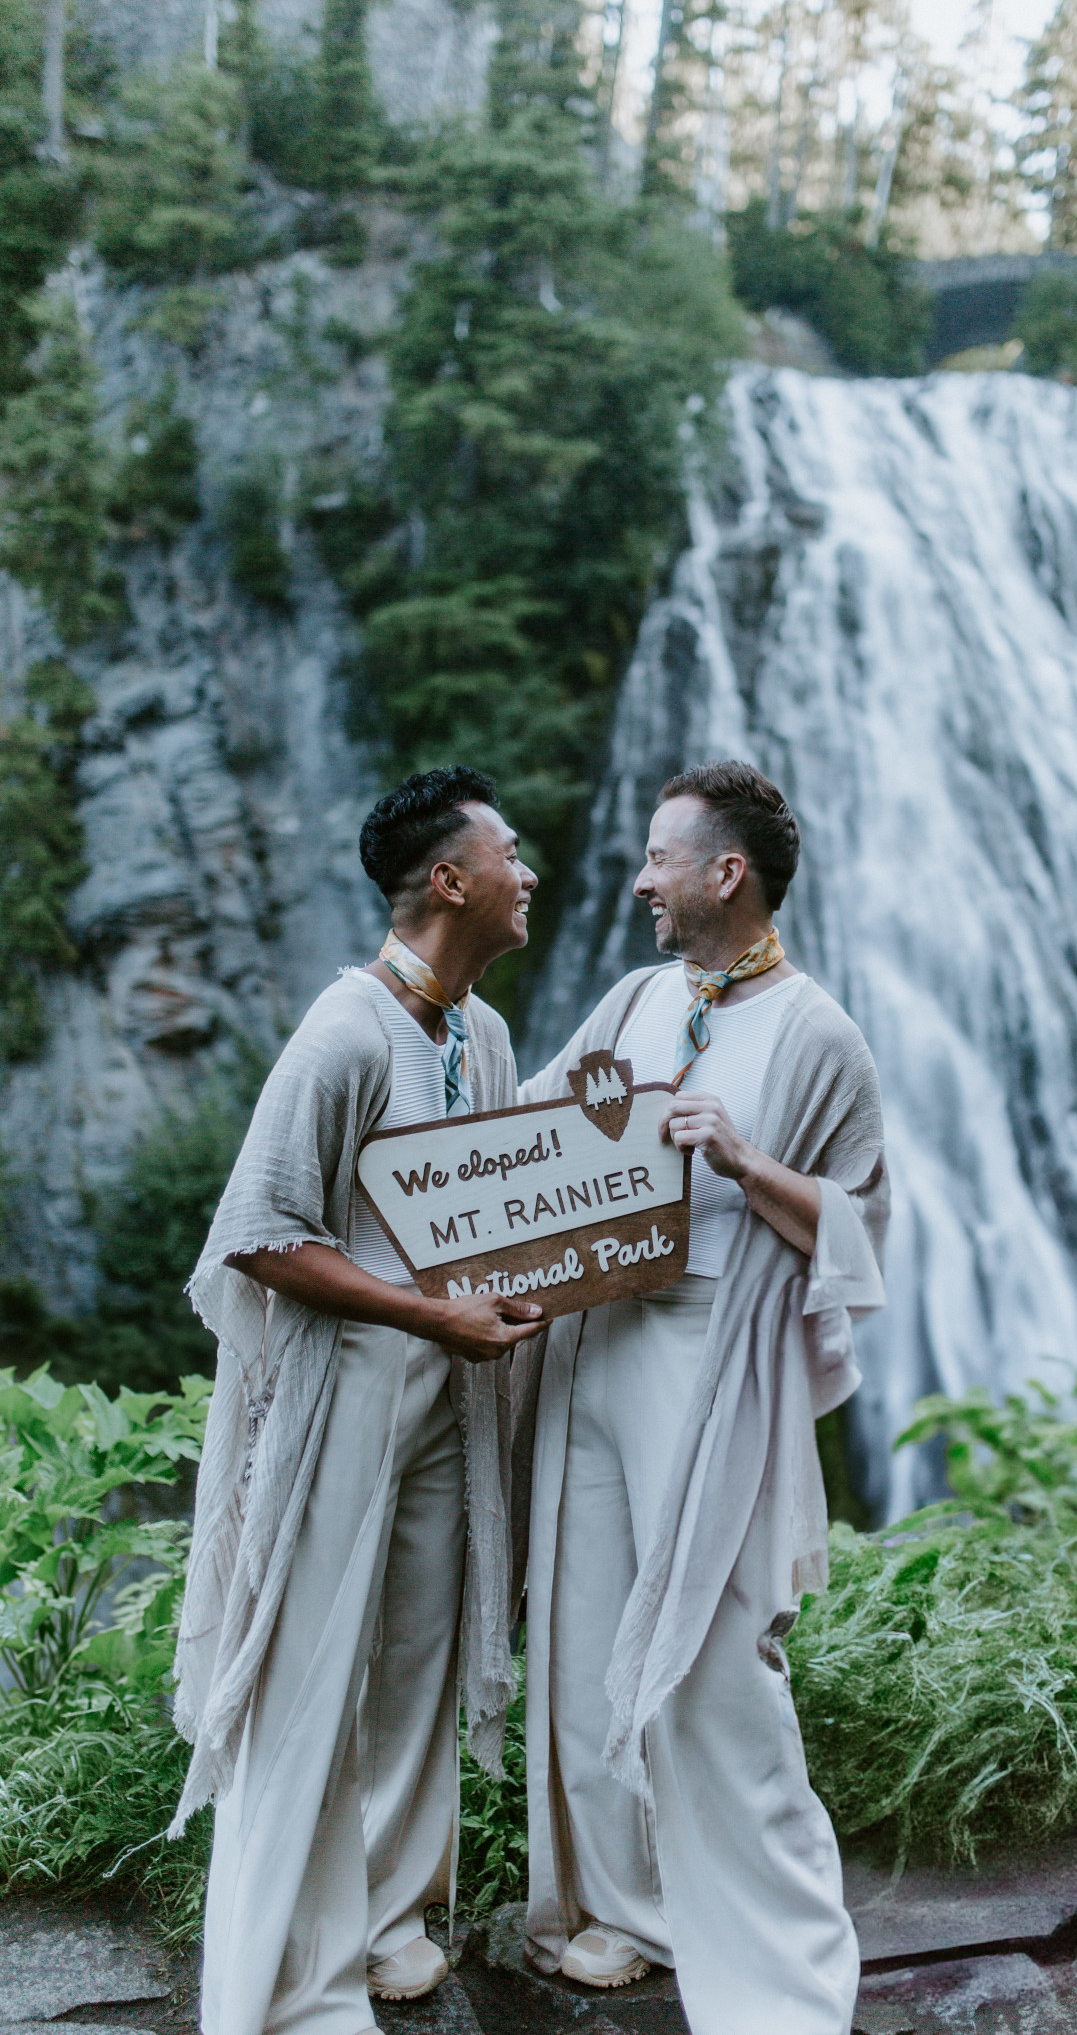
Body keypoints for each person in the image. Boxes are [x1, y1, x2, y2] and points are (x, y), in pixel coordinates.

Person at [173, 765, 546, 2035]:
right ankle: (284, 1980)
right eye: (507, 854)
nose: (526, 873)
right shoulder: (345, 1031)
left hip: (446, 1405)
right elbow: (261, 1237)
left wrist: (534, 1280)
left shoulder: (481, 1037)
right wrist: (432, 1314)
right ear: (450, 880)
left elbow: (490, 1212)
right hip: (342, 1399)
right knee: (310, 1669)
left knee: (416, 1664)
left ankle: (386, 1923)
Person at [519, 760, 888, 2034]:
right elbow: (528, 1133)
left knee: (716, 1666)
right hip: (593, 1347)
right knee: (582, 1645)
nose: (639, 883)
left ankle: (784, 1982)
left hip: (709, 1356)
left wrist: (741, 1158)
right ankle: (631, 1910)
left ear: (725, 874)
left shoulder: (819, 1034)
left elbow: (861, 1229)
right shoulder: (633, 999)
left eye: (658, 860)